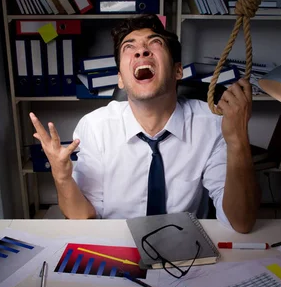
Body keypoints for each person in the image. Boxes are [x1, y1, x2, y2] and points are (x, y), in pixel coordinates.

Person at [30, 14, 260, 233]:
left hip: (187, 246)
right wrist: (61, 176)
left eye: (154, 43)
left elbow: (240, 223)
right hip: (117, 244)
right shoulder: (95, 127)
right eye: (129, 47)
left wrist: (238, 139)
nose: (141, 50)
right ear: (120, 78)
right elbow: (84, 218)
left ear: (177, 70)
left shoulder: (211, 124)